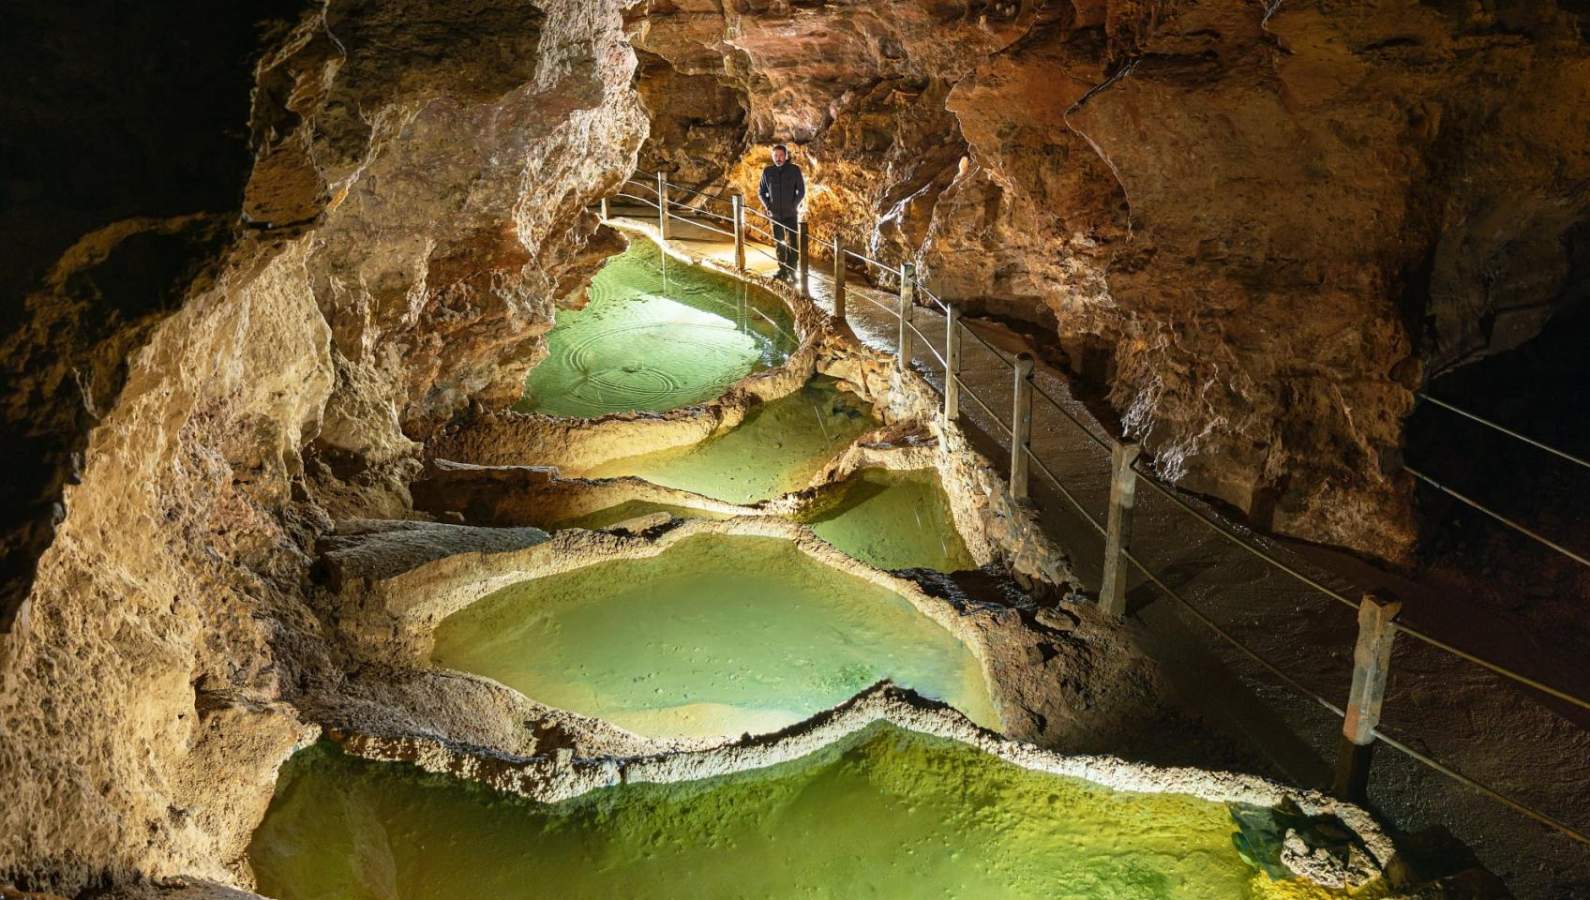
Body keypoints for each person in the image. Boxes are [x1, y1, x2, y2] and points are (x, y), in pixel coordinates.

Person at [757, 144, 805, 282]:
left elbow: (801, 191)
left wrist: (794, 205)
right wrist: (768, 206)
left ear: (786, 156)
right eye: (775, 156)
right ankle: (782, 270)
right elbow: (761, 192)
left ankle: (792, 271)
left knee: (793, 244)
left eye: (781, 155)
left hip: (791, 214)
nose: (778, 158)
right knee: (779, 243)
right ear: (772, 157)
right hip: (775, 214)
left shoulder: (794, 170)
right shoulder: (768, 172)